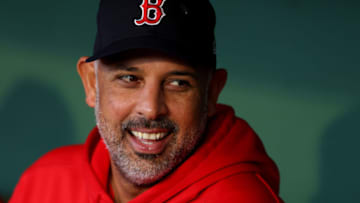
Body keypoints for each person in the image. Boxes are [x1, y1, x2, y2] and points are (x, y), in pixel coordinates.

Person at [10, 0, 284, 202]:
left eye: (178, 83)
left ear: (211, 92)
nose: (151, 108)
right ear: (92, 83)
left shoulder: (242, 198)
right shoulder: (44, 181)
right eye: (129, 78)